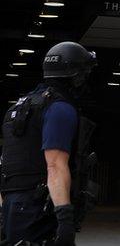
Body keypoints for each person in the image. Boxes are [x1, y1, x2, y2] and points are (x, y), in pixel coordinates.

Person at [1, 42, 98, 246]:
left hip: (13, 205)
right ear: (76, 75)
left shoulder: (19, 108)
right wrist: (64, 218)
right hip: (39, 208)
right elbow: (54, 165)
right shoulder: (59, 108)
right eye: (85, 72)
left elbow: (7, 164)